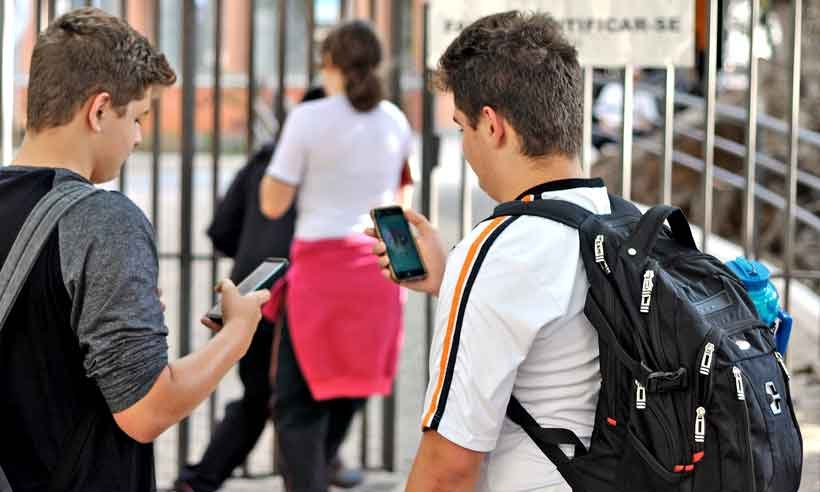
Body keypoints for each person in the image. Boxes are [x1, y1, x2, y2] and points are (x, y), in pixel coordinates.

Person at [0, 8, 269, 491]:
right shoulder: (103, 220)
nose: (140, 137)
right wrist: (237, 334)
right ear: (99, 110)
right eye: (140, 116)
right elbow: (147, 409)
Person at [370, 11, 606, 491]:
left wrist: (467, 272)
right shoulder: (625, 222)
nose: (464, 145)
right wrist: (451, 279)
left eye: (461, 127)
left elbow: (447, 469)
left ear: (492, 125)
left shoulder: (499, 251)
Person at [174, 87, 365, 492]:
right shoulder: (338, 169)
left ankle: (199, 482)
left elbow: (220, 229)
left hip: (250, 293)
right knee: (306, 398)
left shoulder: (266, 160)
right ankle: (316, 465)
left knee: (261, 394)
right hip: (299, 301)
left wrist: (253, 251)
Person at [259, 20, 413, 492]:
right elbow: (402, 204)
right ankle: (325, 465)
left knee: (297, 403)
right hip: (376, 273)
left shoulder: (310, 119)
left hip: (321, 275)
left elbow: (272, 203)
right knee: (353, 384)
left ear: (330, 65)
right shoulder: (395, 120)